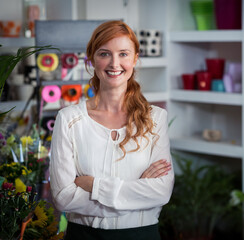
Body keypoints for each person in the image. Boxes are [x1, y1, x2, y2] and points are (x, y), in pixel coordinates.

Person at [49, 20, 174, 240]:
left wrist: (94, 185)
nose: (114, 63)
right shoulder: (69, 119)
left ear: (135, 59)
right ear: (91, 59)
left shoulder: (155, 119)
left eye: (124, 54)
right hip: (85, 236)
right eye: (105, 54)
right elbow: (62, 197)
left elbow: (161, 192)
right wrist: (135, 199)